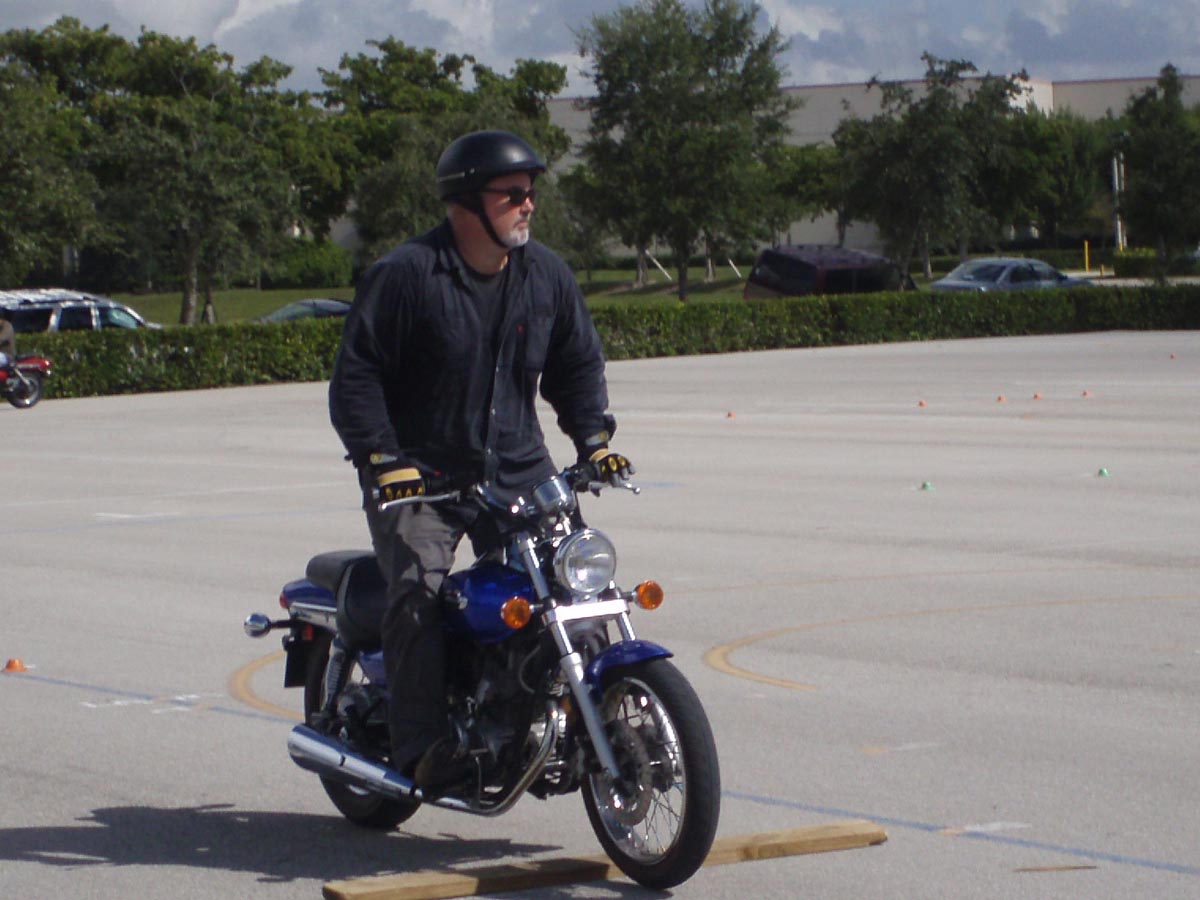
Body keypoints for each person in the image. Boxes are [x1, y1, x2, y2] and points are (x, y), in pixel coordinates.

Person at [328, 130, 633, 794]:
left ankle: (558, 718)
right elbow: (357, 379)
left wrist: (594, 442)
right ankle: (423, 747)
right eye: (513, 194)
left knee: (575, 585)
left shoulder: (545, 274)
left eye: (531, 193)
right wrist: (383, 459)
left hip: (519, 470)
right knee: (419, 590)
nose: (529, 205)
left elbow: (577, 365)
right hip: (422, 476)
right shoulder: (406, 275)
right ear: (467, 204)